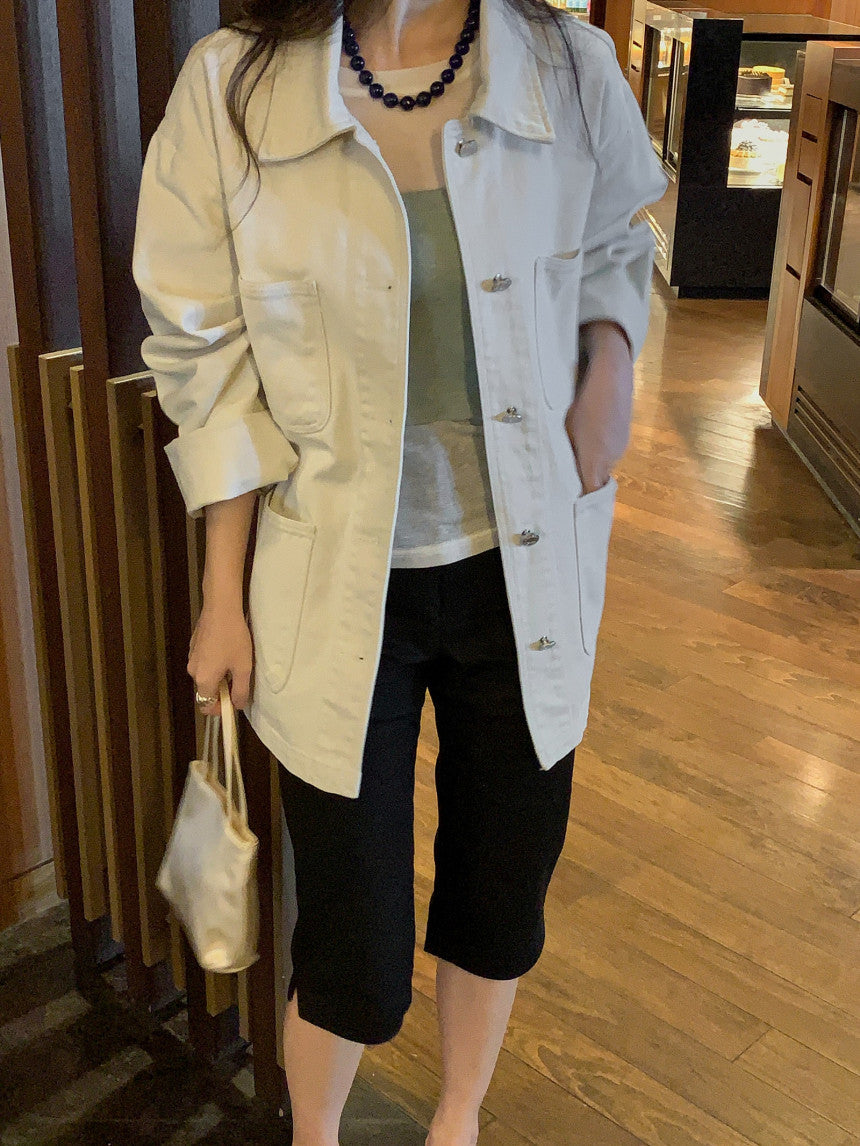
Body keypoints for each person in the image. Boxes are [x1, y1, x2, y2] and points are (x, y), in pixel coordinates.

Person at [132, 0, 667, 1142]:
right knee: (352, 951)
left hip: (523, 569)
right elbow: (206, 359)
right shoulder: (232, 88)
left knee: (500, 890)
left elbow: (620, 232)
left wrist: (612, 358)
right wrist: (221, 596)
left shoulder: (567, 68)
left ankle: (457, 1118)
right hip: (334, 581)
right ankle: (314, 1133)